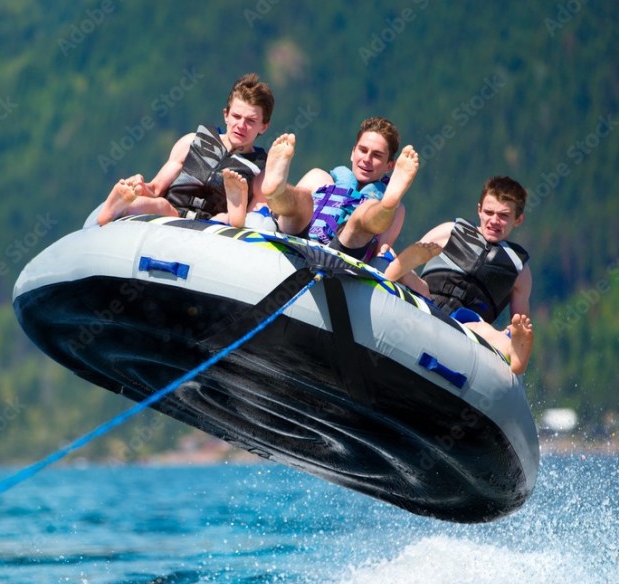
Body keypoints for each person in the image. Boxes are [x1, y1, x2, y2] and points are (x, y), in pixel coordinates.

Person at [381, 175, 534, 375]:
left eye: (503, 215)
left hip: (468, 325)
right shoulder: (450, 231)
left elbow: (519, 321)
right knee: (407, 275)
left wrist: (513, 334)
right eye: (489, 212)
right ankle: (396, 266)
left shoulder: (519, 269)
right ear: (479, 210)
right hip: (425, 298)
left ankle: (511, 351)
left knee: (487, 331)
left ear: (518, 219)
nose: (494, 220)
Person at [97, 73, 274, 228]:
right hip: (173, 213)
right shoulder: (191, 142)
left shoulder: (262, 169)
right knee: (158, 204)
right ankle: (118, 208)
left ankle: (235, 211)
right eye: (236, 116)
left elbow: (254, 218)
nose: (241, 125)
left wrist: (239, 218)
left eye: (250, 121)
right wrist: (141, 188)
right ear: (226, 115)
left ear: (263, 127)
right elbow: (157, 187)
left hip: (215, 226)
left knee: (228, 219)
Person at [260, 117, 420, 262]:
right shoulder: (320, 177)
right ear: (353, 153)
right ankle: (276, 190)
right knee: (302, 200)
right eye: (363, 150)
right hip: (297, 238)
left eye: (377, 155)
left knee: (360, 217)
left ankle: (385, 207)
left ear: (389, 166)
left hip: (343, 255)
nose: (367, 159)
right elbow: (283, 215)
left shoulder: (397, 209)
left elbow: (380, 252)